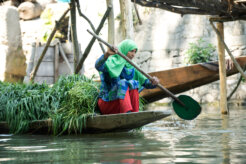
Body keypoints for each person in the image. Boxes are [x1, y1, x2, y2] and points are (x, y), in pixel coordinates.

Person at [95, 39, 159, 115]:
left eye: (135, 52)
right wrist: (107, 54)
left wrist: (154, 82)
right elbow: (98, 66)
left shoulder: (133, 67)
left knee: (133, 83)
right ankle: (127, 113)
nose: (133, 54)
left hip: (121, 106)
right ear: (124, 50)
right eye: (131, 51)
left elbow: (146, 83)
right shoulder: (111, 61)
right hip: (108, 103)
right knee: (123, 82)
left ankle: (134, 114)